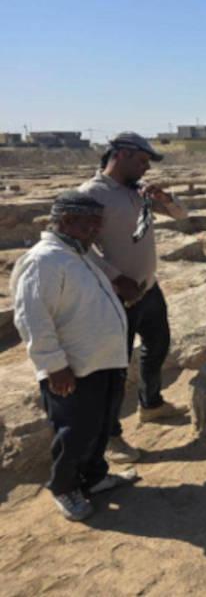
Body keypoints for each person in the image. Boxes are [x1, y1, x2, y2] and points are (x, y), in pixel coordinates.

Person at [12, 191, 139, 521]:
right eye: (90, 224)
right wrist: (55, 366)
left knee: (99, 427)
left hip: (103, 361)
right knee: (76, 431)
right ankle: (64, 487)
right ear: (67, 221)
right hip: (74, 368)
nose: (96, 231)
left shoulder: (77, 253)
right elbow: (32, 318)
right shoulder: (44, 260)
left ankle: (94, 478)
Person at [80, 132, 191, 465]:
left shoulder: (136, 191)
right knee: (115, 368)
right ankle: (111, 437)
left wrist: (164, 198)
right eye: (142, 161)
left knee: (157, 346)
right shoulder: (91, 194)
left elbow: (181, 215)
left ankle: (151, 404)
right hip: (118, 297)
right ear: (123, 155)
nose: (145, 168)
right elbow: (79, 248)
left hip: (148, 289)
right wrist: (116, 279)